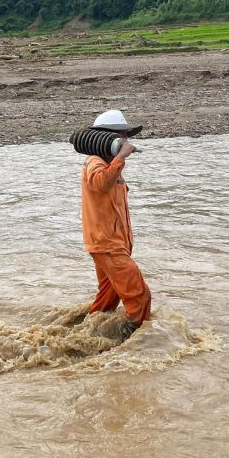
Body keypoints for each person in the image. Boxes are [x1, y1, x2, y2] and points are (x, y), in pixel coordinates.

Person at [81, 109, 151, 338]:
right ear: (109, 136)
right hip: (107, 244)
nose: (126, 140)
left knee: (107, 299)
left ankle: (88, 337)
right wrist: (120, 158)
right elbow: (100, 184)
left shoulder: (108, 164)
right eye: (123, 135)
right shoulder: (95, 162)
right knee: (139, 295)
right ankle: (135, 342)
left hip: (112, 244)